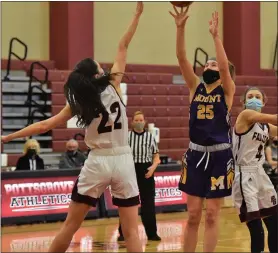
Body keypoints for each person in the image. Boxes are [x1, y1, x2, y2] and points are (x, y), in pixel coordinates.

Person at [1, 2, 143, 252]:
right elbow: (123, 46)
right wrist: (136, 15)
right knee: (131, 231)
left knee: (69, 226)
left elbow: (45, 125)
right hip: (122, 159)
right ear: (99, 72)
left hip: (97, 161)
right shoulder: (115, 85)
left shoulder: (79, 103)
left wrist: (8, 137)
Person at [170, 7, 236, 252]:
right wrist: (180, 28)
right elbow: (180, 56)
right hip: (196, 154)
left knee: (211, 215)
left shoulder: (227, 90)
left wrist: (215, 36)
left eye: (213, 63)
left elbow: (224, 65)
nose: (209, 64)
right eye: (206, 62)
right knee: (193, 215)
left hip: (220, 156)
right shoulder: (194, 87)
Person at [232, 87, 278, 253]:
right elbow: (275, 118)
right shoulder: (245, 116)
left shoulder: (266, 127)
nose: (254, 99)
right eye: (250, 97)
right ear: (244, 102)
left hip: (261, 174)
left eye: (258, 97)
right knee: (257, 231)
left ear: (264, 102)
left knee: (275, 226)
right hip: (245, 175)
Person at [118, 111, 161, 242]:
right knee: (127, 203)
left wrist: (153, 168)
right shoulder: (126, 137)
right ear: (132, 122)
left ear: (145, 122)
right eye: (136, 120)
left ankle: (152, 234)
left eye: (141, 120)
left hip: (146, 172)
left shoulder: (150, 137)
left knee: (148, 204)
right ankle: (123, 233)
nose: (138, 122)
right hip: (130, 171)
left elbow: (156, 157)